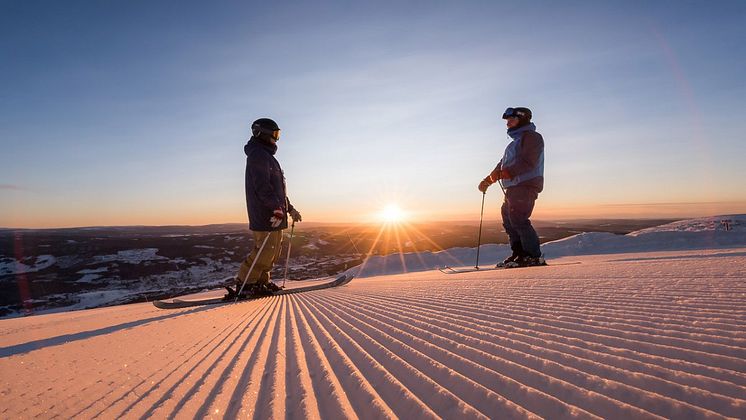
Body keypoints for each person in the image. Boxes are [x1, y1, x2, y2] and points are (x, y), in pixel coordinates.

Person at [225, 118, 302, 299]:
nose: (277, 139)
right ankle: (245, 284)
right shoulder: (258, 155)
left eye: (278, 134)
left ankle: (261, 282)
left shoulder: (267, 157)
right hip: (266, 214)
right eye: (275, 134)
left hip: (275, 213)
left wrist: (290, 208)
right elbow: (262, 187)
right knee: (264, 250)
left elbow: (278, 190)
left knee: (273, 252)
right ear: (263, 133)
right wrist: (276, 208)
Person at [478, 107, 545, 267]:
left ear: (522, 120)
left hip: (526, 184)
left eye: (511, 120)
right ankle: (519, 254)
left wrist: (508, 173)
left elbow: (530, 161)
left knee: (518, 219)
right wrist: (488, 180)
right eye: (507, 121)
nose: (508, 124)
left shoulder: (532, 137)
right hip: (513, 187)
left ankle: (533, 256)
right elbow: (502, 165)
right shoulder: (514, 143)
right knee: (509, 220)